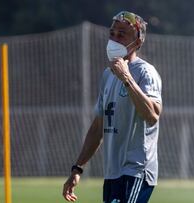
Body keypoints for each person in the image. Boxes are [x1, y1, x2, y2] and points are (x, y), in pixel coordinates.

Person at [62, 11, 162, 203]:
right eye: (112, 33)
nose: (115, 38)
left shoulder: (145, 72)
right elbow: (98, 127)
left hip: (136, 171)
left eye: (122, 34)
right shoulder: (108, 75)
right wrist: (77, 168)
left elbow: (152, 116)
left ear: (138, 41)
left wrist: (127, 79)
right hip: (113, 173)